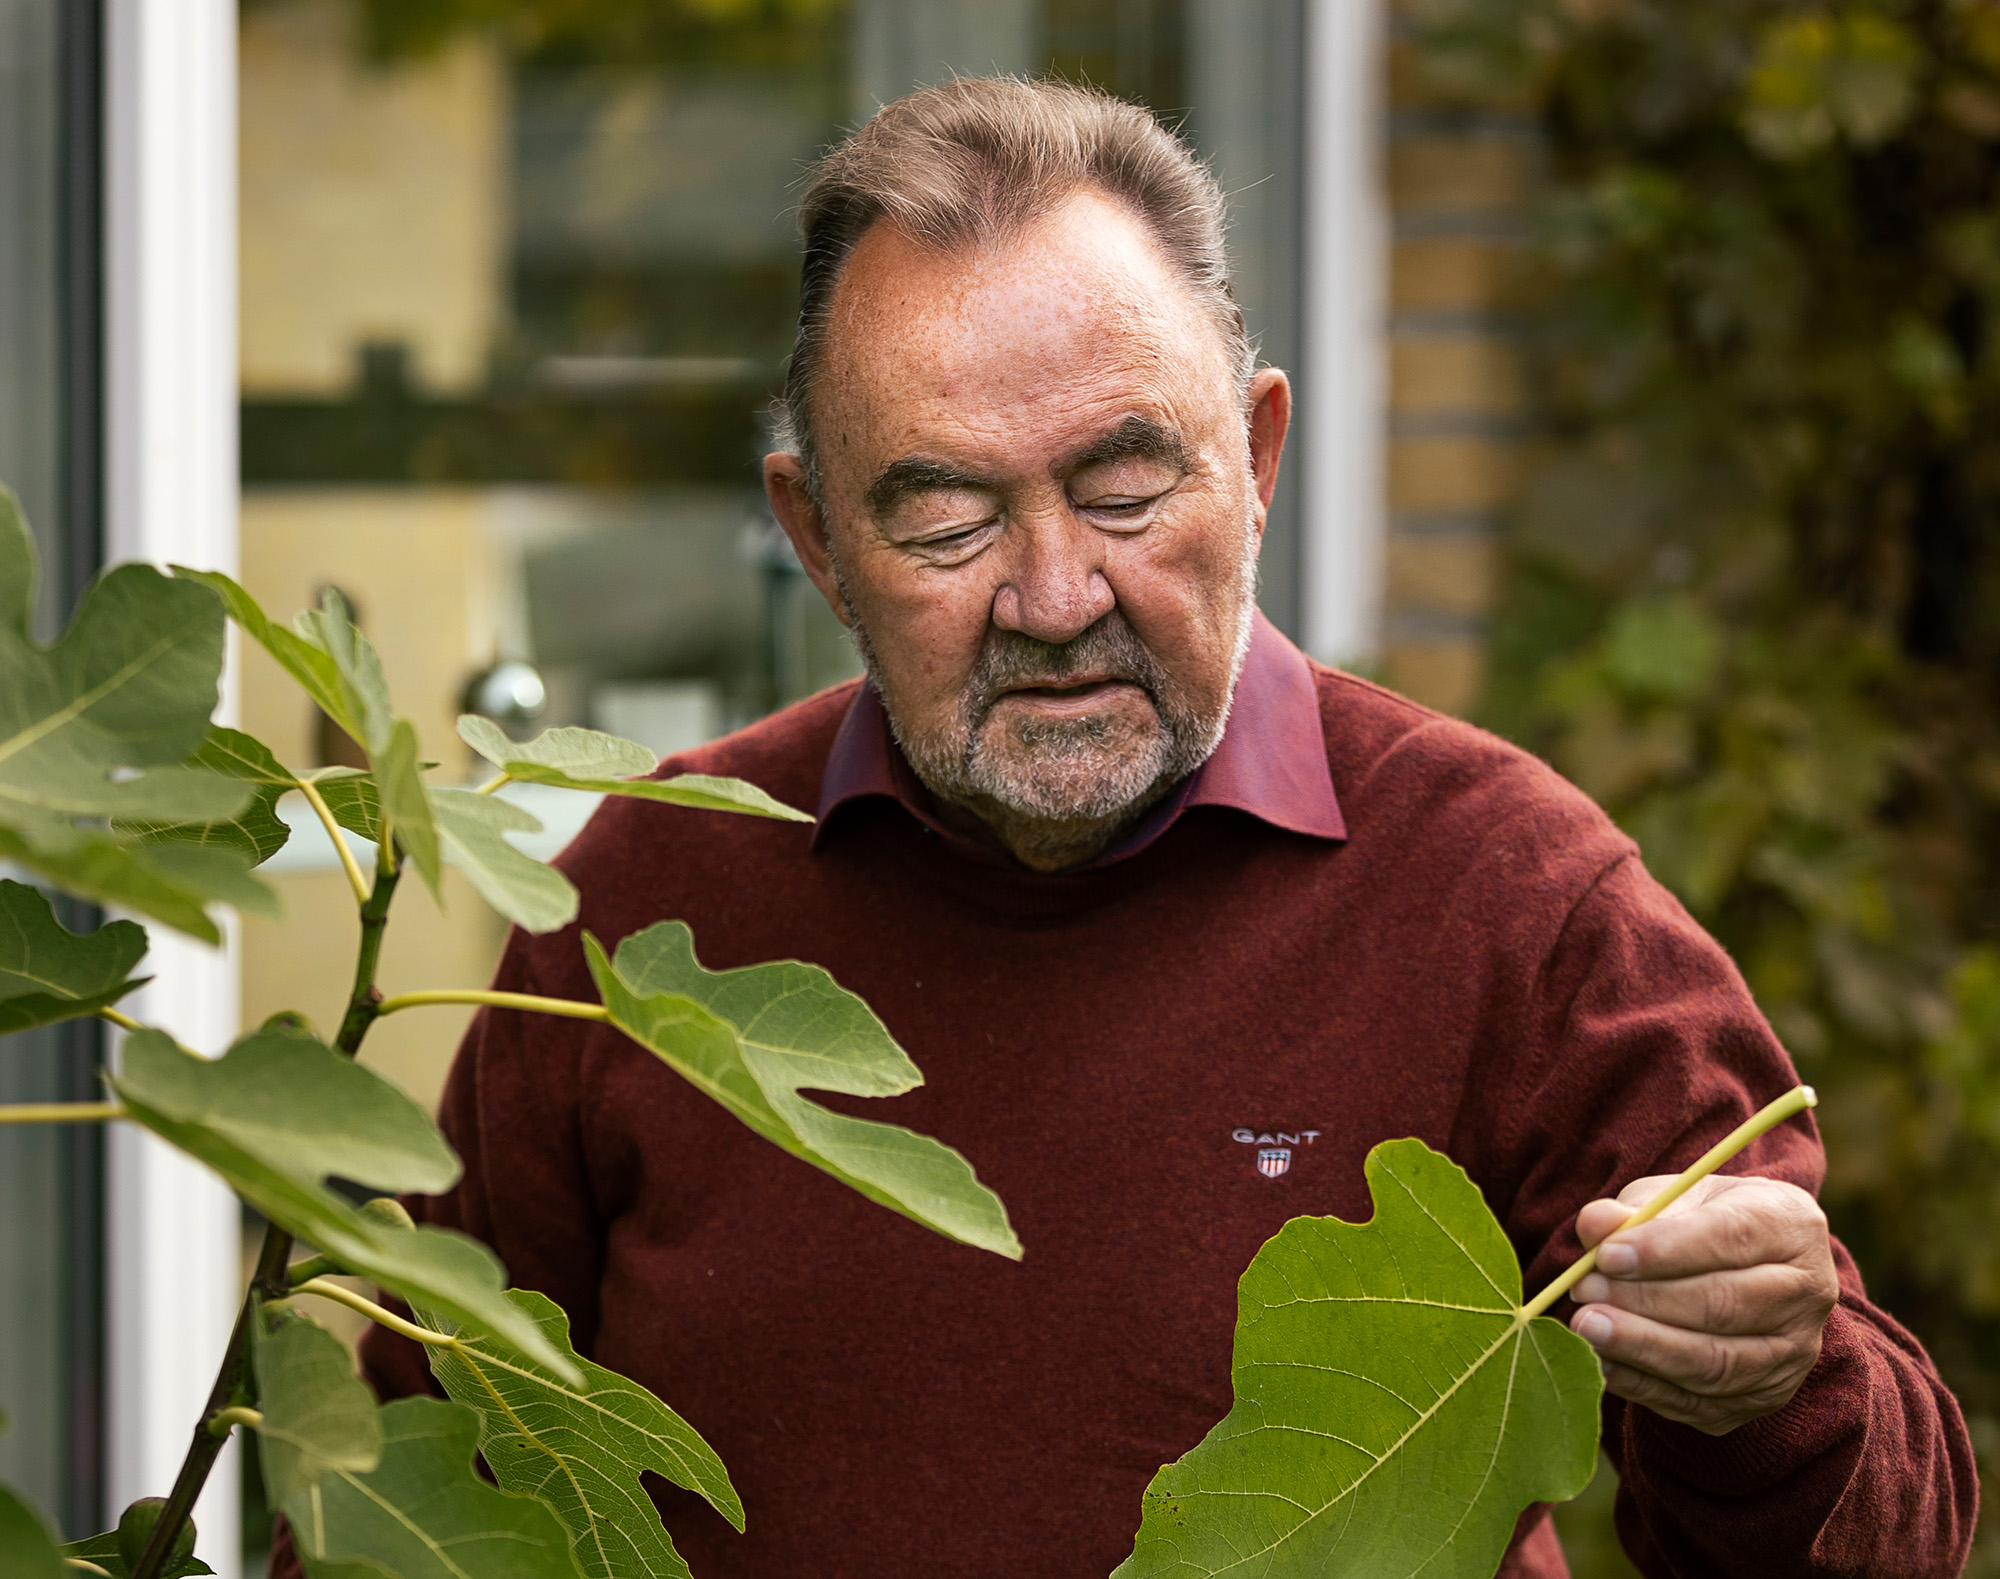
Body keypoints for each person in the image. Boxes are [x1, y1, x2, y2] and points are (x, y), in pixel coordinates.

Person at [292, 77, 1978, 1577]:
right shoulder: (641, 908)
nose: (1052, 595)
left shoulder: (1507, 893)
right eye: (944, 514)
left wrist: (1772, 1382)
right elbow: (416, 1500)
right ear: (814, 537)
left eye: (1122, 487)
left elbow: (1892, 1537)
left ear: (1254, 455)